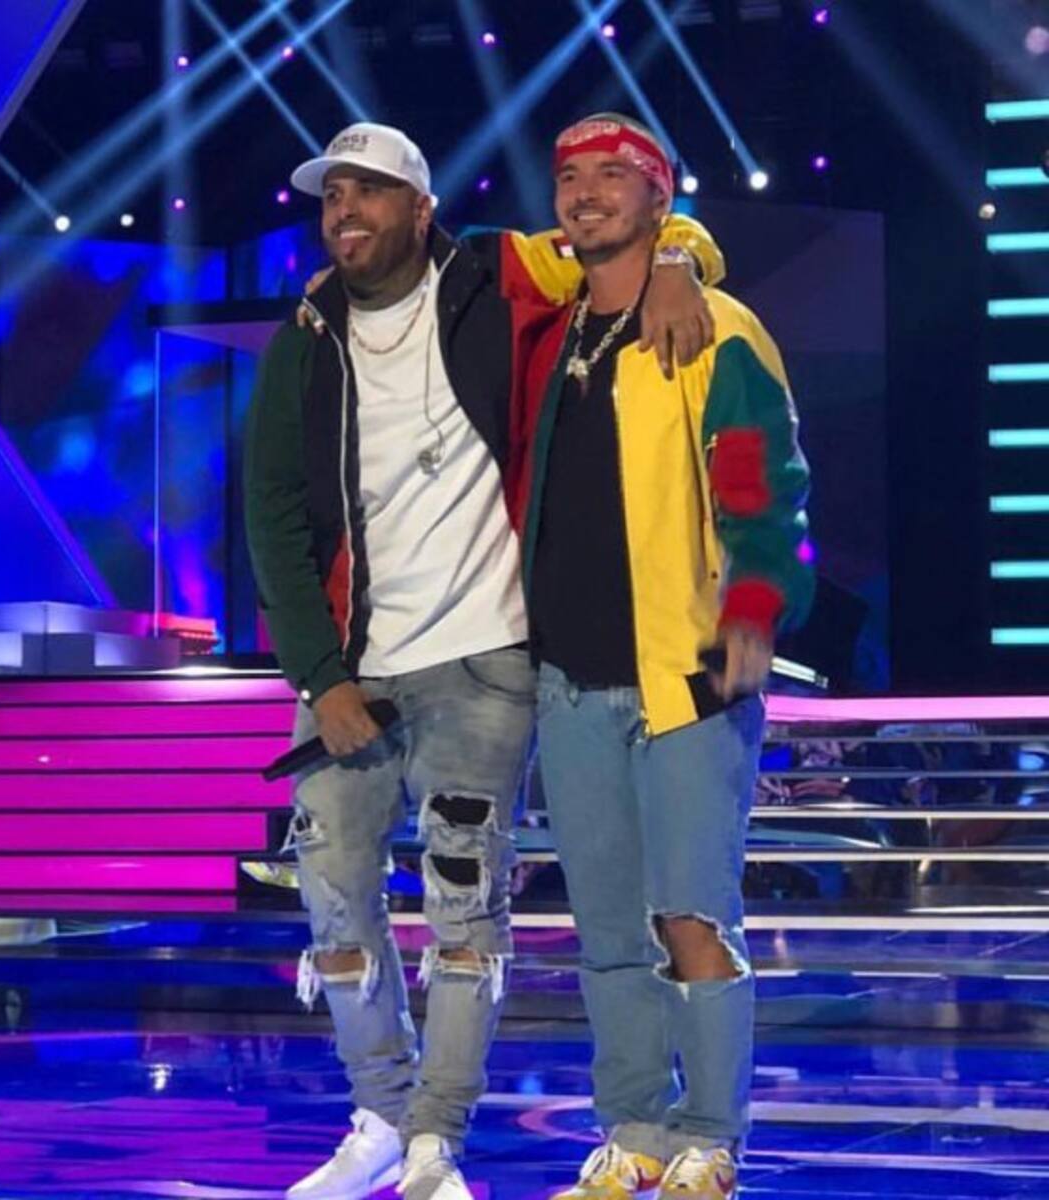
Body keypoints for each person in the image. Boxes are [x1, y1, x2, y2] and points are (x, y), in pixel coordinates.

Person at [243, 121, 725, 1200]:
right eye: (333, 197)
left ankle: (436, 1141)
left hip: (485, 660)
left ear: (421, 209)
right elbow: (270, 513)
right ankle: (379, 1115)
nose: (346, 213)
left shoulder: (502, 273)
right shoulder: (305, 335)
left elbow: (634, 232)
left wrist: (683, 264)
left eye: (370, 193)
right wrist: (320, 675)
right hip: (350, 668)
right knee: (334, 904)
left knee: (465, 908)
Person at [520, 114, 814, 1200]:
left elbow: (762, 486)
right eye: (570, 176)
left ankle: (712, 1136)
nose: (587, 192)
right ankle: (634, 1130)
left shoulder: (713, 328)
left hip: (685, 676)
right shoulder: (549, 334)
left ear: (660, 195)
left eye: (615, 175)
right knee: (606, 932)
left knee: (691, 917)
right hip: (569, 683)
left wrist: (754, 608)